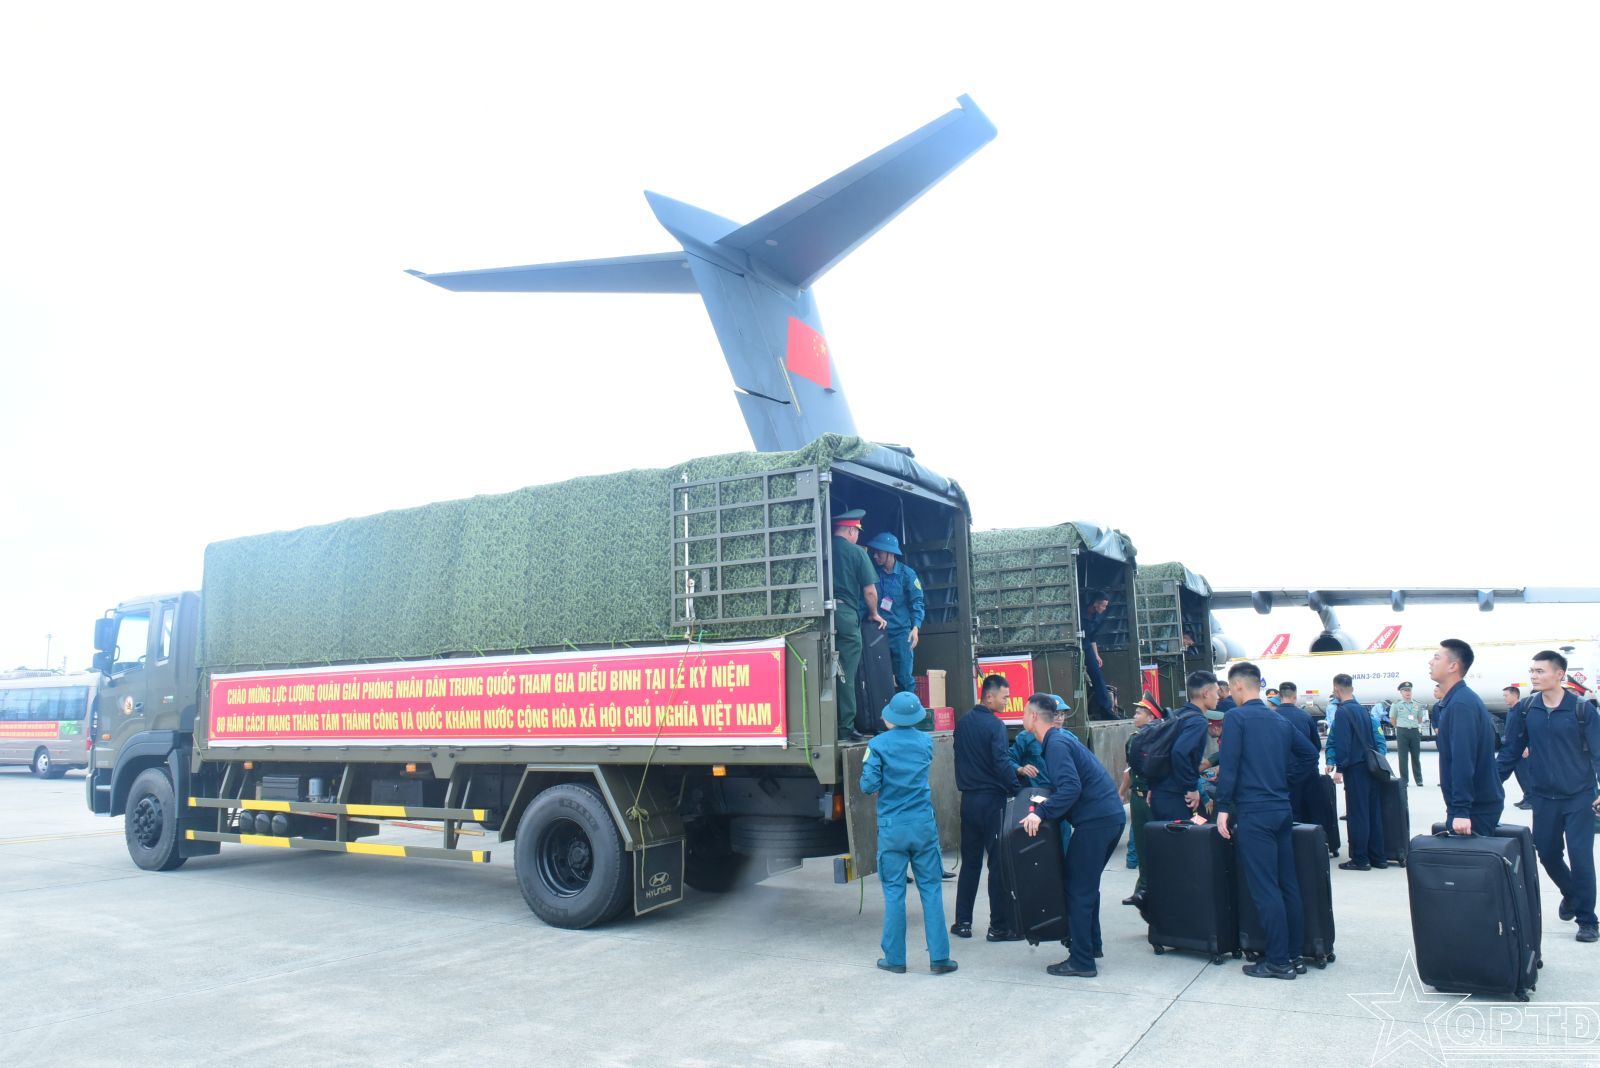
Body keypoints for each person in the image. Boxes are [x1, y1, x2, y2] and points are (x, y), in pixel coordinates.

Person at [1215, 661, 1319, 979]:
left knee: (1265, 888)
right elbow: (1310, 754)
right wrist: (1285, 780)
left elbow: (1229, 764)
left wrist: (1223, 806)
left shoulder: (1236, 718)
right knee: (1288, 884)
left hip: (1254, 812)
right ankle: (1294, 956)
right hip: (1281, 809)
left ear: (1238, 686)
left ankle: (1278, 961)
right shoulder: (1278, 720)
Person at [1017, 693, 1126, 978]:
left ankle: (1082, 961)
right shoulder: (1059, 740)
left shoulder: (1056, 744)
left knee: (1077, 889)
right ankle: (1091, 946)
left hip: (1096, 821)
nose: (1023, 717)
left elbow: (1070, 788)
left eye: (1025, 712)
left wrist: (1040, 813)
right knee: (1085, 886)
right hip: (1106, 818)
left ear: (1034, 716)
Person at [1497, 650, 1600, 944]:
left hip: (1580, 796)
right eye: (1532, 671)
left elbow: (1599, 753)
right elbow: (1510, 751)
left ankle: (1587, 920)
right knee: (1547, 852)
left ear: (1559, 674)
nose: (1534, 676)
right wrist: (1492, 783)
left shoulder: (1582, 710)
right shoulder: (1526, 709)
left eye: (1540, 671)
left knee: (1581, 858)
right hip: (1543, 797)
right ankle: (1572, 893)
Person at [859, 692, 959, 974]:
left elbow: (868, 785)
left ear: (890, 717)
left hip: (893, 827)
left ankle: (894, 959)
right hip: (923, 825)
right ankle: (940, 958)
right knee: (931, 890)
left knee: (894, 892)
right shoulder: (925, 742)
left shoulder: (877, 745)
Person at [950, 674, 1035, 941]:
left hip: (968, 801)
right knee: (997, 865)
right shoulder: (995, 726)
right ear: (989, 697)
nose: (1007, 702)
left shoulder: (963, 723)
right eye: (1004, 697)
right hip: (992, 802)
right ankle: (998, 926)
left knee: (970, 863)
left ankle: (963, 922)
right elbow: (1000, 762)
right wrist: (1016, 788)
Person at [1430, 638, 1505, 837]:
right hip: (1471, 806)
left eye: (1436, 658)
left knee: (1470, 857)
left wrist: (1461, 810)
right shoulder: (1455, 701)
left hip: (1473, 809)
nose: (1431, 662)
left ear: (1453, 666)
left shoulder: (1460, 704)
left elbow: (1463, 759)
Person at [831, 509, 886, 742]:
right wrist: (874, 613)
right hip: (845, 615)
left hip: (819, 614)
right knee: (845, 672)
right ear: (852, 530)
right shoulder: (856, 553)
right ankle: (845, 727)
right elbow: (870, 591)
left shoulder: (821, 548)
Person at [1326, 674, 1387, 870]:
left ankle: (1360, 859)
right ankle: (1378, 857)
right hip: (1371, 767)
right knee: (1373, 813)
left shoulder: (1342, 712)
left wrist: (1340, 768)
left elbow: (1343, 743)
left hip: (1356, 768)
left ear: (1336, 690)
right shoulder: (1363, 710)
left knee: (1358, 814)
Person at [1147, 670, 1217, 822]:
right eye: (1216, 692)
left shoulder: (1176, 715)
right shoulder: (1198, 721)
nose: (1218, 697)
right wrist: (1191, 787)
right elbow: (1179, 752)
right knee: (1183, 835)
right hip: (1177, 796)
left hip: (1161, 791)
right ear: (1206, 693)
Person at [865, 532, 925, 700]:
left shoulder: (907, 575)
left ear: (890, 553)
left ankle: (909, 711)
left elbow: (917, 602)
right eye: (874, 552)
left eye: (879, 552)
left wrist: (915, 628)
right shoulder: (872, 574)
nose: (875, 556)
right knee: (878, 678)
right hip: (878, 633)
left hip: (901, 634)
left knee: (904, 678)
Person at [1275, 682, 1326, 824]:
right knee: (1313, 814)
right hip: (1308, 772)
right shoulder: (1305, 716)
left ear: (1279, 696)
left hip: (1284, 775)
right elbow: (1316, 746)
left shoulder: (1272, 717)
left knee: (1292, 815)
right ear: (1295, 697)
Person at [1121, 703, 1155, 898]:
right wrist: (1122, 792)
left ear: (1151, 717)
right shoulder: (1132, 740)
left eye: (1139, 713)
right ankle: (1142, 890)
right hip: (1138, 797)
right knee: (1141, 845)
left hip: (1152, 797)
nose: (1135, 716)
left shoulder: (1159, 739)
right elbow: (1129, 770)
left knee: (1157, 845)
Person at [1082, 590, 1118, 719]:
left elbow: (1093, 638)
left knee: (1097, 675)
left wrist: (1096, 655)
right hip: (1077, 646)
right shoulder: (1080, 613)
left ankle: (1106, 710)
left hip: (1087, 647)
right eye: (1103, 605)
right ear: (1095, 604)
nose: (1104, 608)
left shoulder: (1097, 618)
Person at [1503, 685, 1533, 810]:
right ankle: (1526, 796)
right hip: (1513, 749)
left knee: (1526, 774)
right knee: (1519, 775)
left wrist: (1527, 746)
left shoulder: (1522, 710)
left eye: (1506, 695)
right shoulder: (1511, 710)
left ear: (1515, 695)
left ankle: (1531, 799)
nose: (1504, 698)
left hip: (1522, 749)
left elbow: (1528, 729)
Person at [1391, 682, 1426, 787]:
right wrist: (1400, 727)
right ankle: (1404, 780)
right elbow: (1392, 719)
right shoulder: (1396, 705)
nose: (1408, 692)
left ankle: (1419, 780)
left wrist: (1412, 724)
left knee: (1416, 756)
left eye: (1409, 690)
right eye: (1405, 690)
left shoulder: (1417, 704)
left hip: (1414, 731)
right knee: (1403, 757)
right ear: (1401, 692)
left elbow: (1420, 719)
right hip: (1402, 731)